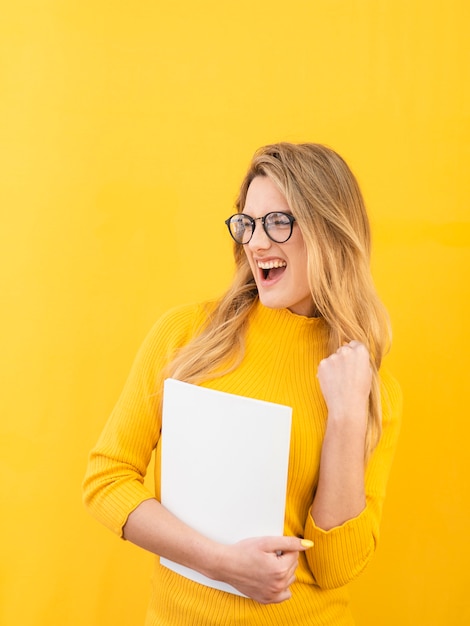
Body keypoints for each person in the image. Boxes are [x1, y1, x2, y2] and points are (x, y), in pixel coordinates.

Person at [83, 142, 402, 625]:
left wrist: (347, 417)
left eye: (279, 221)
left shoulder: (370, 387)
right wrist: (221, 563)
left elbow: (336, 567)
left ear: (331, 230)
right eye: (248, 223)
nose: (255, 242)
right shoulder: (187, 336)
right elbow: (106, 480)